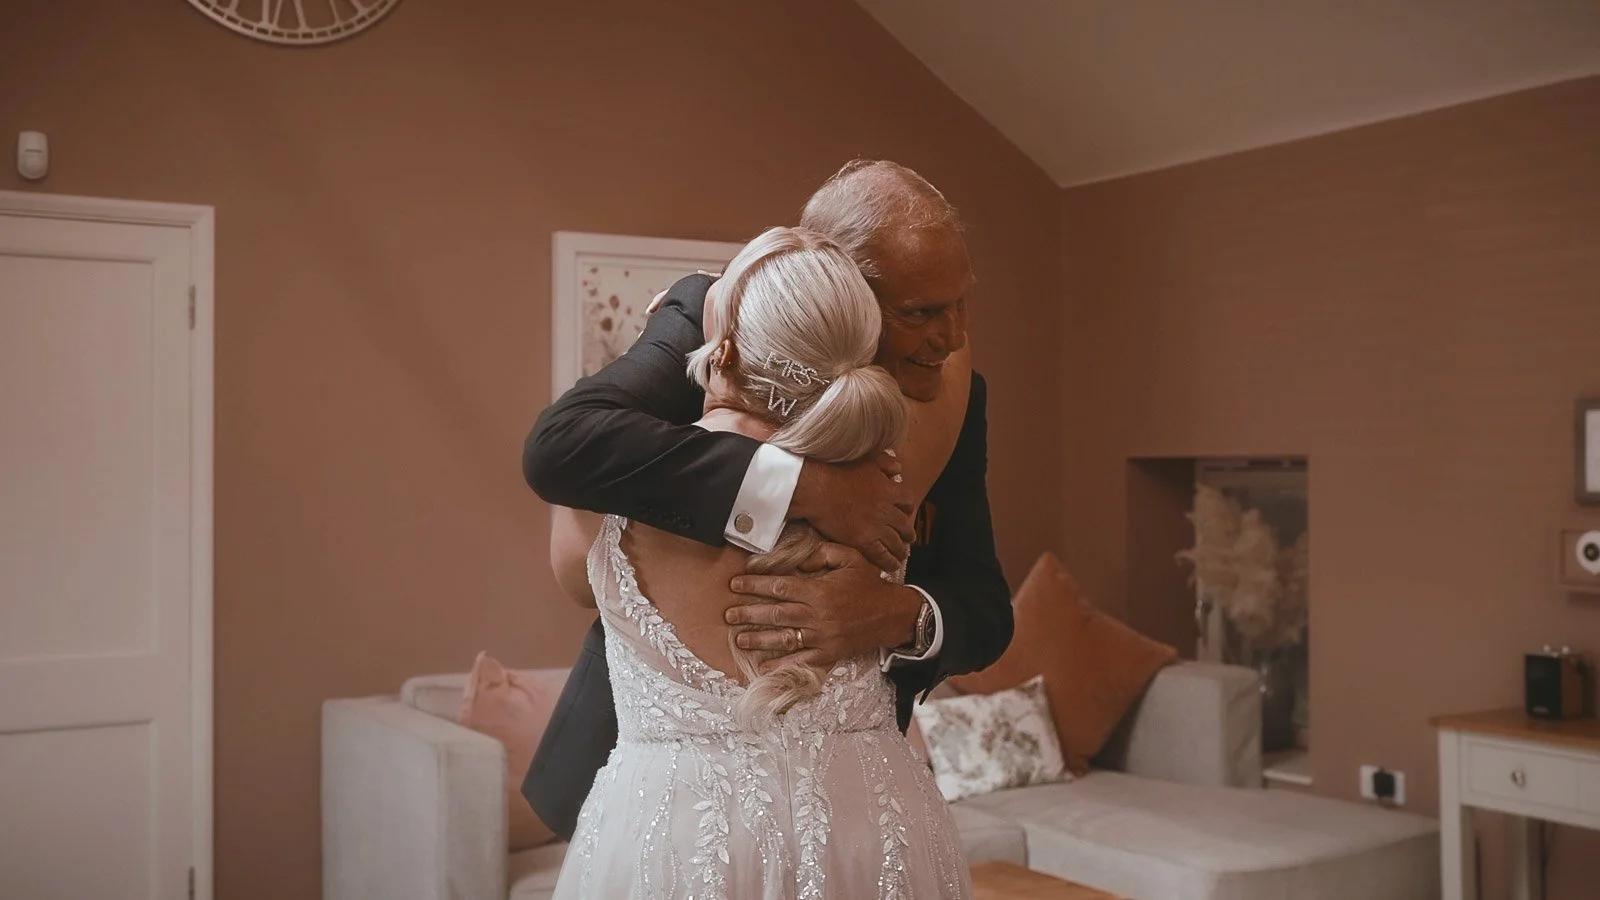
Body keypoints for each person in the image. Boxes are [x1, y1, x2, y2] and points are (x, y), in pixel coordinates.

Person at [522, 160, 1013, 844]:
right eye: (921, 312)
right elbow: (562, 447)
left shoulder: (962, 398)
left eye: (961, 302)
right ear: (842, 286)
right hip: (672, 787)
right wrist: (811, 491)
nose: (954, 335)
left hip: (847, 796)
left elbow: (986, 611)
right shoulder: (709, 318)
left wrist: (893, 613)